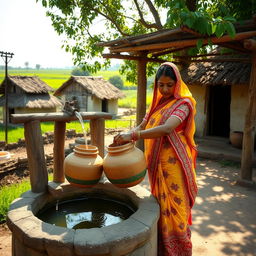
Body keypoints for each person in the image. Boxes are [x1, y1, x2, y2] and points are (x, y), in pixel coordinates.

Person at [114, 62, 198, 256]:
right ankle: (161, 248)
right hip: (158, 164)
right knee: (160, 205)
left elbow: (168, 128)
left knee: (176, 207)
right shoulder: (157, 104)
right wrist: (127, 133)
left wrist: (133, 137)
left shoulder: (184, 104)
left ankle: (179, 250)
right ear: (156, 84)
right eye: (161, 85)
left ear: (177, 84)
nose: (165, 89)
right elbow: (142, 125)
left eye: (169, 85)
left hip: (175, 164)